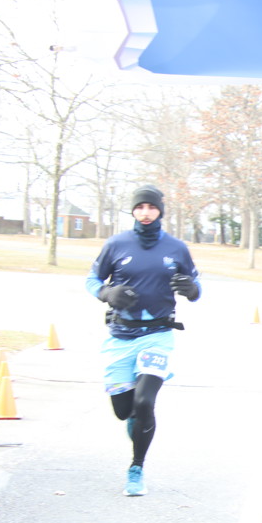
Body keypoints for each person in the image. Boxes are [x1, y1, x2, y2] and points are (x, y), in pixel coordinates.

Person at [86, 185, 201, 497]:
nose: (146, 213)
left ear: (160, 210)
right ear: (133, 211)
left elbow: (195, 284)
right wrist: (107, 292)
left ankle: (136, 468)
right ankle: (137, 423)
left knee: (145, 401)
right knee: (124, 410)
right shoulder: (116, 244)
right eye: (140, 207)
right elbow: (92, 280)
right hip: (121, 337)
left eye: (151, 207)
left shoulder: (176, 247)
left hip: (158, 336)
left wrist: (191, 289)